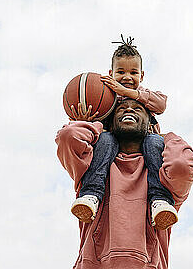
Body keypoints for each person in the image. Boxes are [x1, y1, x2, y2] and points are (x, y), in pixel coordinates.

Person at [56, 98, 193, 268]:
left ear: (150, 124)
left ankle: (157, 201)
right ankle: (91, 195)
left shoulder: (163, 177)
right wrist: (94, 125)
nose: (129, 110)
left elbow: (182, 167)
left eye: (138, 109)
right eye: (121, 108)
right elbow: (68, 137)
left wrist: (167, 138)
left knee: (163, 198)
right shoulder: (92, 167)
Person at [67, 35, 176, 230]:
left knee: (153, 142)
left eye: (133, 72)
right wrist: (84, 119)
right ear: (111, 73)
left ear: (142, 76)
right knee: (106, 139)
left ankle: (159, 200)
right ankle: (91, 194)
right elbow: (96, 126)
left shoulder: (143, 95)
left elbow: (161, 104)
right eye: (121, 72)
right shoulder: (106, 96)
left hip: (143, 146)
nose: (127, 77)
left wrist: (130, 93)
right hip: (113, 149)